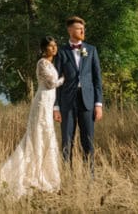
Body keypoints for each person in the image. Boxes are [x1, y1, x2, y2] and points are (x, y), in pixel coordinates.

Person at [0, 36, 64, 200]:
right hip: (42, 102)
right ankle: (32, 173)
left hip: (49, 102)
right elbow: (51, 84)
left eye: (55, 45)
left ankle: (46, 174)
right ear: (44, 49)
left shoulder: (51, 64)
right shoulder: (42, 63)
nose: (54, 48)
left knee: (47, 135)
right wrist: (65, 78)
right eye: (50, 46)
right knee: (37, 135)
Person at [54, 16, 103, 172]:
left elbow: (97, 78)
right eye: (78, 28)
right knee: (67, 140)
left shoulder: (91, 50)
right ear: (70, 30)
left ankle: (90, 176)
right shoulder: (61, 52)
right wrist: (56, 107)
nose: (82, 31)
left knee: (87, 139)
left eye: (83, 29)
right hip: (67, 101)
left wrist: (98, 104)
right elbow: (55, 81)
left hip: (87, 100)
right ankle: (67, 175)